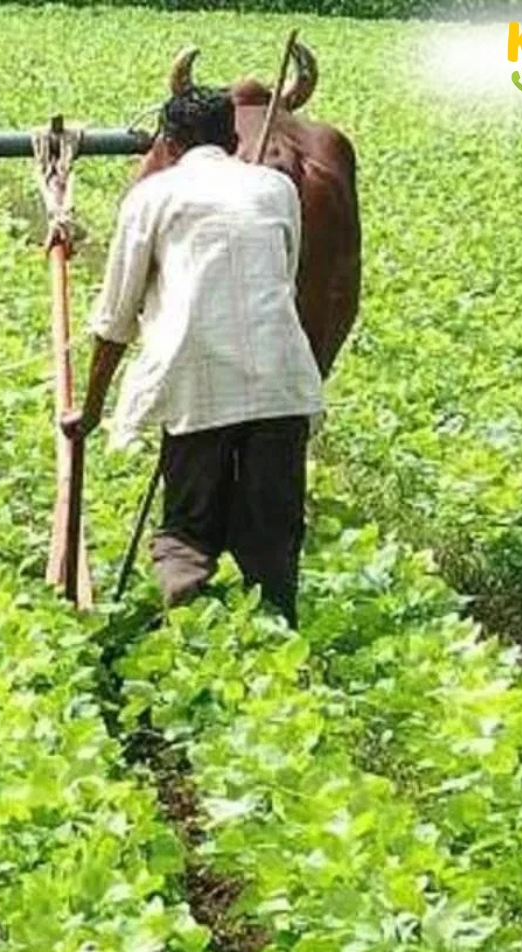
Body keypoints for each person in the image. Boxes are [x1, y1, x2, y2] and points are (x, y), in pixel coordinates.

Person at [58, 85, 324, 626]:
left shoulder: (151, 197)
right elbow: (286, 278)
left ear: (169, 145)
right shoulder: (278, 190)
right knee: (272, 538)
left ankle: (190, 636)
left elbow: (114, 321)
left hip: (195, 388)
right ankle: (275, 646)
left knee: (186, 532)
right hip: (282, 384)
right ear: (232, 138)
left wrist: (90, 412)